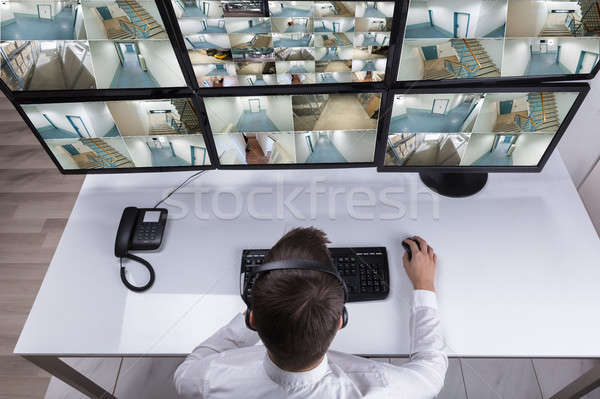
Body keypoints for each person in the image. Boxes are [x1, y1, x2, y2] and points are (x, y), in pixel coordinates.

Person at [174, 228, 447, 398]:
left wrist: (267, 304)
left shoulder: (205, 380)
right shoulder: (379, 386)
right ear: (341, 320)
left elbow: (188, 368)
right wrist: (424, 285)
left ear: (252, 319)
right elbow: (432, 373)